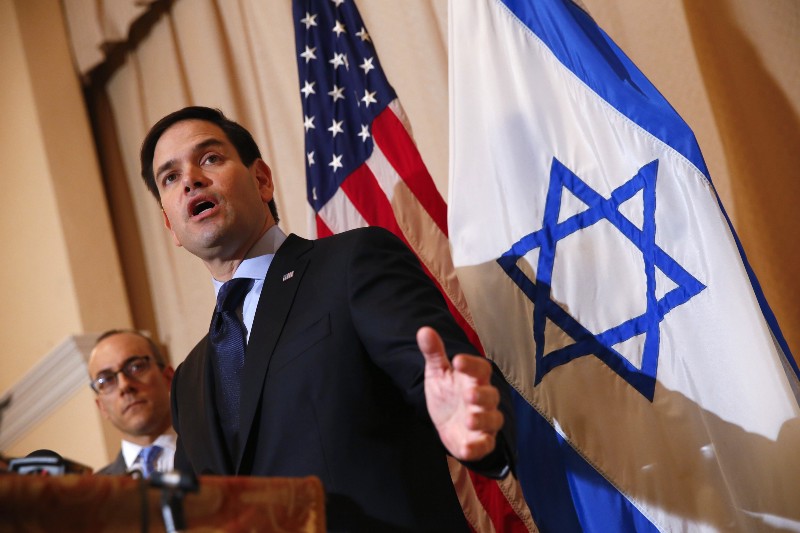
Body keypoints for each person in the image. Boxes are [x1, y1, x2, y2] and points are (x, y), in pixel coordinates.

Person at [139, 106, 516, 531]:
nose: (190, 179)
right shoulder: (189, 381)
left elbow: (455, 387)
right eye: (170, 177)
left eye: (210, 158)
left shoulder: (352, 264)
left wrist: (470, 421)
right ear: (170, 225)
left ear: (261, 180)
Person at [88, 330, 176, 477]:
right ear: (101, 407)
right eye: (106, 380)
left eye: (136, 367)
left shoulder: (220, 447)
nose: (124, 386)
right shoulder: (94, 491)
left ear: (168, 377)